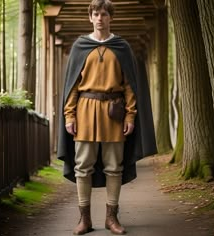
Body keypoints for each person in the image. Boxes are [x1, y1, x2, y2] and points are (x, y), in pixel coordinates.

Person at [57, 0, 157, 235]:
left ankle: (112, 219)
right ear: (90, 17)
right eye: (96, 14)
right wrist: (69, 116)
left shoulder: (121, 46)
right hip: (85, 112)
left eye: (104, 14)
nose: (100, 18)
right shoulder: (80, 46)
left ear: (111, 17)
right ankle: (85, 220)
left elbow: (130, 86)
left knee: (114, 167)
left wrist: (130, 117)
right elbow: (72, 86)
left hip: (114, 113)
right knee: (83, 167)